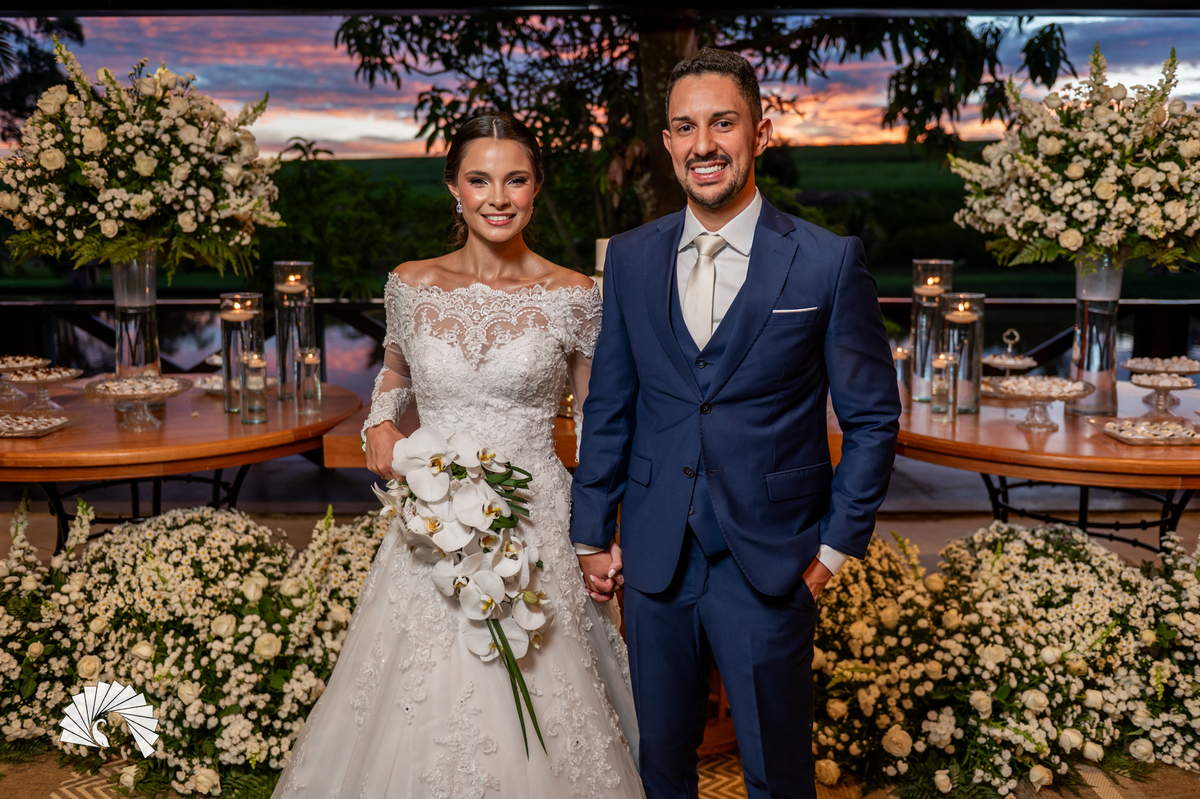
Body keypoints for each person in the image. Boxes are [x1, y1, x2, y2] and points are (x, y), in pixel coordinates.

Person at [272, 114, 644, 799]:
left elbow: (601, 422)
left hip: (536, 520)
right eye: (479, 179)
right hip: (432, 519)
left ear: (536, 188)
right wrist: (380, 424)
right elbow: (393, 374)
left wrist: (603, 528)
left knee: (544, 689)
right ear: (454, 187)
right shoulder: (410, 284)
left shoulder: (574, 295)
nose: (497, 197)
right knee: (414, 690)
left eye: (515, 179)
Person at [571, 48, 901, 799]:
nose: (704, 144)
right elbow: (610, 405)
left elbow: (874, 418)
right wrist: (590, 532)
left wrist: (833, 550)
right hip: (654, 556)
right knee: (660, 764)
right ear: (667, 142)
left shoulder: (826, 262)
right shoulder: (630, 259)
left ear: (760, 131)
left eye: (723, 122)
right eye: (686, 127)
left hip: (773, 561)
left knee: (777, 772)